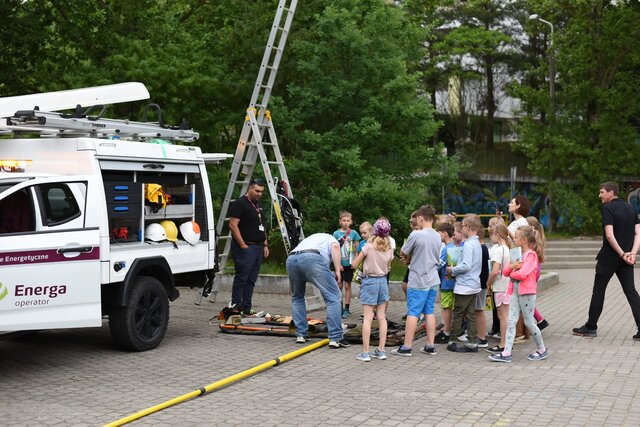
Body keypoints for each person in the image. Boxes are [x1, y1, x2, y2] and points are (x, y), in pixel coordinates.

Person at [573, 182, 640, 340]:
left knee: (599, 291)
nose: (600, 195)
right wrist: (632, 253)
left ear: (611, 193)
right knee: (631, 292)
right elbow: (638, 233)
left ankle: (591, 327)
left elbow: (609, 236)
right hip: (626, 260)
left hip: (609, 258)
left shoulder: (608, 208)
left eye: (602, 192)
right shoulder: (630, 208)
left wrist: (622, 254)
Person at [489, 226, 548, 363]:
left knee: (529, 322)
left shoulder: (531, 256)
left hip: (527, 293)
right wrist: (511, 268)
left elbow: (522, 274)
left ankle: (542, 349)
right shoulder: (517, 253)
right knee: (510, 321)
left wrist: (512, 271)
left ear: (524, 240)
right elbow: (504, 271)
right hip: (514, 292)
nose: (513, 238)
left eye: (516, 237)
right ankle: (506, 352)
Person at [392, 205, 441, 356]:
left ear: (420, 218)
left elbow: (403, 251)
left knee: (413, 312)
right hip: (433, 279)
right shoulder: (437, 235)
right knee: (429, 312)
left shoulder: (416, 235)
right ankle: (430, 345)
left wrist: (406, 259)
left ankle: (406, 347)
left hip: (418, 279)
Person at [286, 233, 350, 348]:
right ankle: (336, 338)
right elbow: (335, 248)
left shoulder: (314, 238)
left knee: (297, 297)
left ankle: (301, 334)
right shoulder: (332, 239)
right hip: (312, 258)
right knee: (333, 297)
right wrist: (337, 271)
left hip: (291, 259)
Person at [351, 219, 393, 361]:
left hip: (370, 281)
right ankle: (381, 350)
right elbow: (388, 267)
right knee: (381, 317)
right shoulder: (389, 248)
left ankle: (365, 353)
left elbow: (354, 264)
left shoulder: (368, 247)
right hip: (383, 281)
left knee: (368, 318)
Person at [228, 179, 269, 315]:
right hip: (246, 247)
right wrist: (242, 245)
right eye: (257, 191)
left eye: (261, 192)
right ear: (250, 189)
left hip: (258, 247)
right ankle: (236, 306)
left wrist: (265, 244)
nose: (259, 194)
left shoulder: (258, 205)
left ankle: (246, 307)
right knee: (242, 277)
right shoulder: (239, 204)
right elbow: (233, 225)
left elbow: (262, 226)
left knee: (251, 279)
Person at [446, 214, 482, 353]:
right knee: (471, 314)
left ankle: (453, 340)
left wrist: (452, 270)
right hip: (473, 284)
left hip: (464, 285)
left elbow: (466, 265)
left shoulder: (468, 245)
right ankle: (472, 341)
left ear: (467, 227)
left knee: (458, 313)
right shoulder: (477, 243)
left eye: (462, 227)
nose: (461, 230)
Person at [486, 223, 511, 353]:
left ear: (498, 234)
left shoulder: (498, 250)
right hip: (507, 286)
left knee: (502, 317)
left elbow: (495, 271)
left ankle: (503, 343)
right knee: (506, 316)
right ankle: (507, 341)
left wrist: (488, 283)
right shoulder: (507, 249)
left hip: (500, 286)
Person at [333, 211, 362, 319]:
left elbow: (358, 249)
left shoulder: (354, 233)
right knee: (339, 286)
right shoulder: (336, 234)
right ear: (340, 221)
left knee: (347, 286)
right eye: (343, 221)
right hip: (339, 264)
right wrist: (338, 264)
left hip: (349, 264)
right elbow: (334, 249)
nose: (345, 223)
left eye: (347, 221)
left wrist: (356, 261)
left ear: (351, 222)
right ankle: (339, 308)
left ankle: (347, 309)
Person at [526, 216, 550, 330]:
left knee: (526, 299)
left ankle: (540, 321)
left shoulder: (532, 240)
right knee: (528, 299)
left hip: (533, 271)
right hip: (537, 270)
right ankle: (540, 320)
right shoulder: (538, 238)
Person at [435, 222, 456, 344]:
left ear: (444, 234)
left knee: (446, 307)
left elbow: (439, 265)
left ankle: (446, 331)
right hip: (453, 283)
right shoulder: (455, 247)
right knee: (451, 307)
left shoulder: (446, 249)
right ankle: (449, 328)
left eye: (439, 234)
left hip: (446, 283)